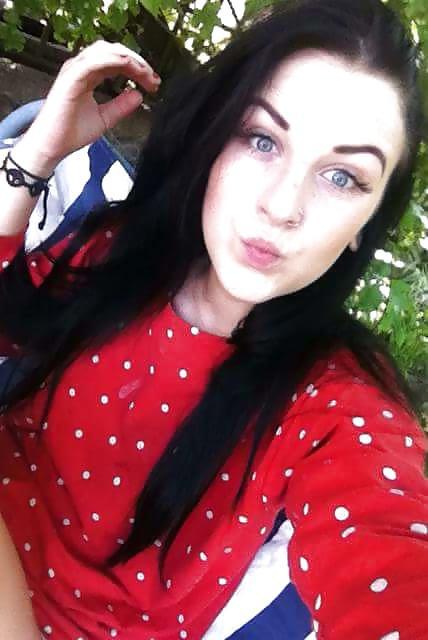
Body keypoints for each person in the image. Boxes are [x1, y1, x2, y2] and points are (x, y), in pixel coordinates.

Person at [0, 0, 427, 638]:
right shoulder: (121, 252)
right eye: (262, 139)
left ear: (368, 222)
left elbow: (390, 552)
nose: (282, 205)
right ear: (213, 139)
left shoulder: (334, 405)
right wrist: (35, 158)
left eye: (342, 177)